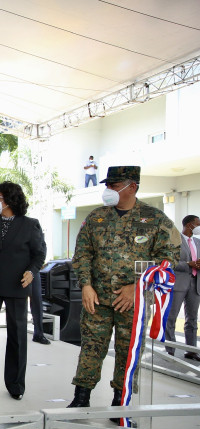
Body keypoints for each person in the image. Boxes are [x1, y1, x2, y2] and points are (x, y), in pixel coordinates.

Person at [67, 166, 181, 408]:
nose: (109, 190)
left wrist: (137, 286)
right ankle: (81, 398)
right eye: (108, 185)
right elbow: (82, 254)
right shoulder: (96, 217)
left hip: (134, 301)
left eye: (115, 185)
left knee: (128, 350)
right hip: (97, 298)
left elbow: (168, 258)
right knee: (91, 347)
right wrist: (86, 285)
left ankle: (121, 402)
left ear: (132, 187)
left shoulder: (156, 219)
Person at [0, 182, 46, 401]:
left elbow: (39, 254)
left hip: (17, 285)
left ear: (11, 200)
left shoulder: (30, 224)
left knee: (17, 335)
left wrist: (31, 271)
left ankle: (16, 384)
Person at [165, 215, 200, 359]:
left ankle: (191, 350)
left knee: (192, 319)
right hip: (179, 283)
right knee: (171, 317)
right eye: (198, 223)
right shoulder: (175, 240)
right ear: (190, 224)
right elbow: (168, 262)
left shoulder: (198, 241)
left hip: (196, 284)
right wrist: (188, 264)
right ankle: (170, 351)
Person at [30, 239, 52, 345]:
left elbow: (43, 246)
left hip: (33, 268)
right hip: (16, 268)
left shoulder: (35, 228)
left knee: (37, 301)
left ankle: (38, 334)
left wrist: (37, 265)